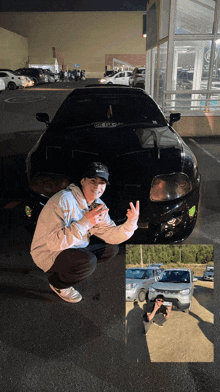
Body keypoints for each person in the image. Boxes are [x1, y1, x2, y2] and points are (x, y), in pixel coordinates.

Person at [31, 162, 139, 303]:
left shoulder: (98, 205)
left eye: (102, 183)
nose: (97, 186)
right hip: (47, 252)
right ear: (83, 182)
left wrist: (130, 223)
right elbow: (52, 243)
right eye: (92, 181)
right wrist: (86, 222)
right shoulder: (64, 200)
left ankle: (71, 268)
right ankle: (58, 284)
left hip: (73, 246)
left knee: (111, 249)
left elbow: (111, 235)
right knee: (88, 262)